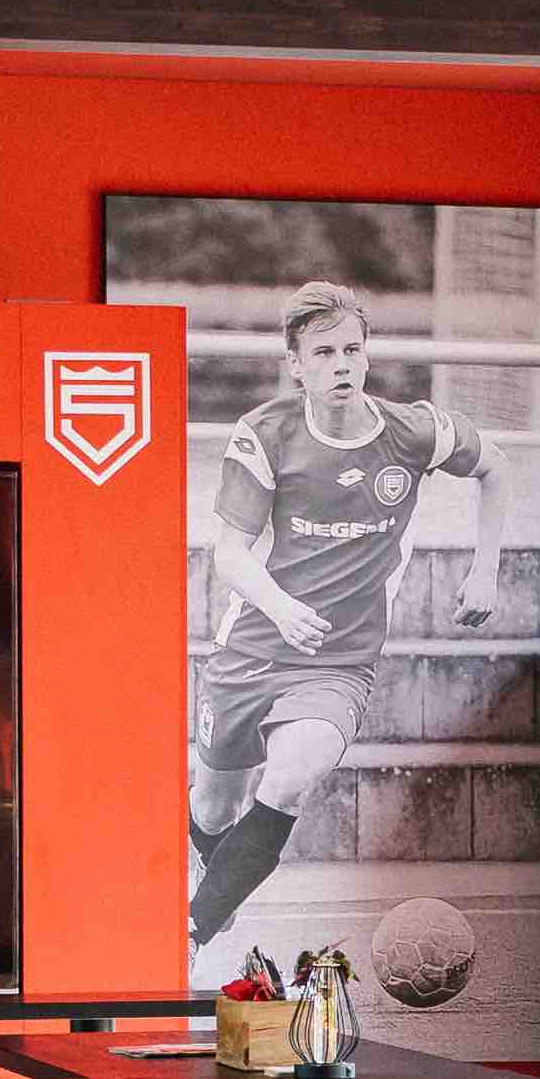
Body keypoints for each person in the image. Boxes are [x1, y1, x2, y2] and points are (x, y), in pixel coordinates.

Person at [181, 281, 485, 955]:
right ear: (296, 365)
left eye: (352, 350)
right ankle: (211, 874)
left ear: (366, 355)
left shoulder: (414, 432)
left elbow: (494, 469)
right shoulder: (265, 433)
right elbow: (229, 554)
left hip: (340, 663)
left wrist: (484, 568)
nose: (341, 365)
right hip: (252, 648)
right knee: (213, 807)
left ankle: (189, 931)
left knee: (289, 781)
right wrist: (282, 607)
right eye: (323, 353)